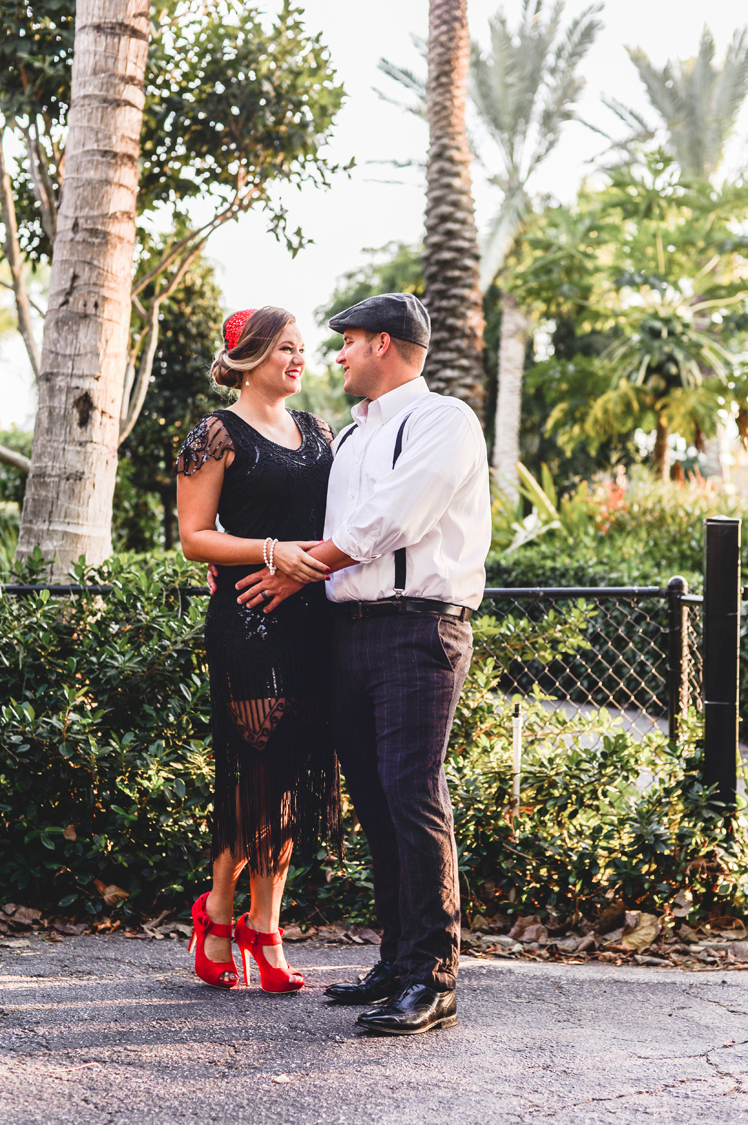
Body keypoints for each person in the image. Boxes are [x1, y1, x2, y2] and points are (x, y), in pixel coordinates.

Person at [232, 292, 489, 1036]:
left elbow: (393, 519)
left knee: (412, 793)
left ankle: (434, 978)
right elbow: (325, 524)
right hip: (348, 629)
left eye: (346, 342)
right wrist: (265, 559)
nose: (336, 355)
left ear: (382, 344)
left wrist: (295, 569)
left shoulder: (444, 420)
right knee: (375, 802)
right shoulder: (348, 437)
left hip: (419, 627)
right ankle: (397, 962)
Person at [175, 306, 340, 995]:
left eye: (303, 350)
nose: (299, 361)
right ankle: (219, 916)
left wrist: (307, 565)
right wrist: (268, 553)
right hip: (249, 620)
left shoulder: (320, 431)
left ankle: (263, 925)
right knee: (256, 779)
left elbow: (341, 522)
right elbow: (195, 536)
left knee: (295, 779)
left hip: (316, 620)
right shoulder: (213, 433)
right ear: (249, 357)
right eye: (285, 350)